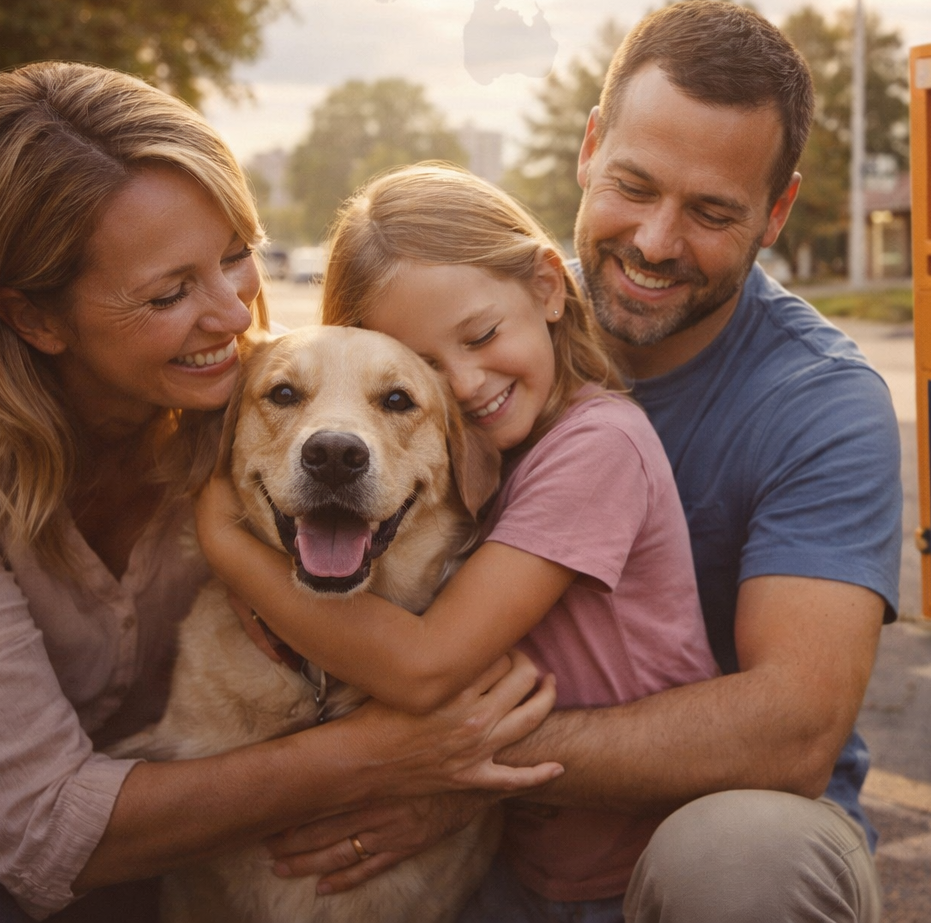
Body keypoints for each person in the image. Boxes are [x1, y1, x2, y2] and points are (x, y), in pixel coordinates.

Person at [0, 63, 558, 923]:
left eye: (238, 259)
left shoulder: (231, 395)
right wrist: (387, 754)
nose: (235, 318)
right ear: (34, 318)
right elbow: (44, 829)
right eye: (170, 291)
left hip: (162, 806)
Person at [265, 1, 903, 922]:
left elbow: (794, 732)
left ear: (778, 212)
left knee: (742, 861)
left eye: (712, 211)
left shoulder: (818, 403)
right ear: (591, 145)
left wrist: (455, 771)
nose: (654, 242)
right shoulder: (480, 316)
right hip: (508, 834)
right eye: (634, 186)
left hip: (689, 819)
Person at [193, 163, 720, 913]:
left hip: (622, 872)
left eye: (480, 336)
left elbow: (423, 668)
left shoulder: (596, 445)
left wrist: (228, 544)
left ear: (546, 288)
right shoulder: (489, 447)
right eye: (427, 369)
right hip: (518, 862)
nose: (466, 385)